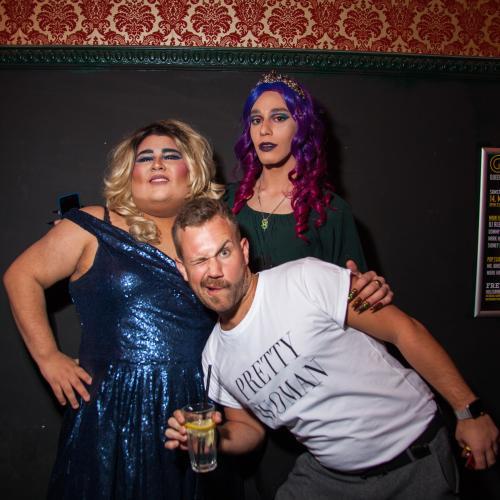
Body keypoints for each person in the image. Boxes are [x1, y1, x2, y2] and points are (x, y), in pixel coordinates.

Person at [166, 198, 499, 500]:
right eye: (200, 260)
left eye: (224, 253)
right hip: (334, 478)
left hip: (411, 459)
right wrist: (212, 436)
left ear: (244, 250)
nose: (214, 271)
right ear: (183, 270)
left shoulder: (304, 278)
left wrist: (468, 410)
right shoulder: (214, 357)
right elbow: (248, 429)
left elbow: (403, 330)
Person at [3, 120, 224, 499]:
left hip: (192, 407)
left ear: (193, 172)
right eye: (145, 157)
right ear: (129, 173)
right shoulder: (93, 225)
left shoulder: (215, 239)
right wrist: (47, 356)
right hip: (111, 409)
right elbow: (22, 276)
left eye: (171, 155)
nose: (157, 163)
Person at [227, 70, 393, 496]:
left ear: (301, 126)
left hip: (314, 388)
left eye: (279, 117)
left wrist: (371, 291)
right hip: (248, 383)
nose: (264, 129)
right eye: (256, 119)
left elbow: (360, 309)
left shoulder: (330, 212)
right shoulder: (226, 204)